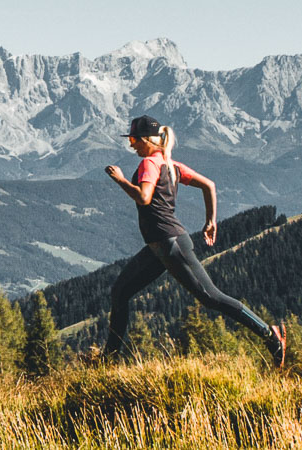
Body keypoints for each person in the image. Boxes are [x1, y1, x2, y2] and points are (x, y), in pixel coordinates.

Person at [103, 115, 287, 367]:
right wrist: (211, 220)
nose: (131, 144)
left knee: (211, 297)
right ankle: (108, 359)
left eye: (134, 139)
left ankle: (269, 334)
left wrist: (121, 179)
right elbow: (208, 185)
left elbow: (144, 197)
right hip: (159, 247)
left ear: (147, 140)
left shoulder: (150, 163)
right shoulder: (172, 165)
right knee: (120, 291)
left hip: (171, 244)